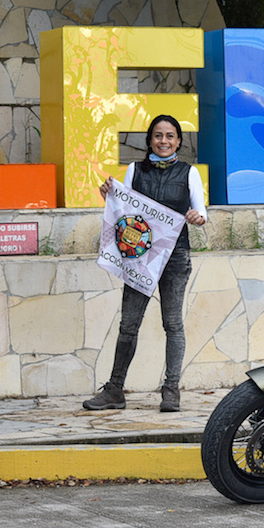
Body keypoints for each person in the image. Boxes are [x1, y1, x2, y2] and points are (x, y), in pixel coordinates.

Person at [84, 114, 208, 412]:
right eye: (158, 135)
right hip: (139, 257)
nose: (163, 141)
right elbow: (123, 210)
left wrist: (197, 217)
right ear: (149, 140)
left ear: (179, 141)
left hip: (175, 258)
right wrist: (108, 196)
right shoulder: (134, 170)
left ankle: (171, 390)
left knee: (172, 324)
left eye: (170, 136)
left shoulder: (189, 173)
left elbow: (201, 213)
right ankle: (115, 390)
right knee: (128, 324)